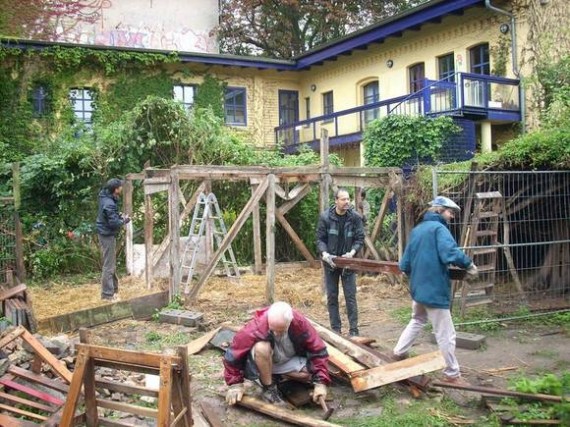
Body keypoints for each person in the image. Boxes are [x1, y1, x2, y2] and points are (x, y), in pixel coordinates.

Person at [392, 196, 478, 383]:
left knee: (417, 319)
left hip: (418, 289)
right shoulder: (439, 229)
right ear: (439, 210)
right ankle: (452, 373)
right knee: (446, 333)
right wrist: (469, 265)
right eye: (450, 212)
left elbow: (404, 264)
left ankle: (398, 352)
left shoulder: (417, 230)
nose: (452, 216)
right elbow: (450, 253)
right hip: (435, 289)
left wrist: (415, 274)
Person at [223, 301, 330, 407]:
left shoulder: (299, 323)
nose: (276, 334)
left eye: (280, 331)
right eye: (272, 330)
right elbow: (233, 354)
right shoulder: (257, 326)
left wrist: (320, 383)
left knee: (309, 374)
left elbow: (318, 350)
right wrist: (235, 384)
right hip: (264, 359)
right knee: (262, 348)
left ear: (290, 322)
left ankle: (275, 375)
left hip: (286, 358)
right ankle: (269, 388)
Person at [316, 188, 365, 337]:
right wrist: (324, 254)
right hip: (331, 262)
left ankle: (354, 330)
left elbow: (360, 238)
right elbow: (320, 239)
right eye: (343, 199)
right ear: (336, 201)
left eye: (348, 199)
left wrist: (352, 252)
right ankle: (336, 329)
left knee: (350, 296)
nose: (347, 202)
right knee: (332, 296)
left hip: (348, 262)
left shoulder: (355, 218)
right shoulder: (325, 217)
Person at [96, 178, 130, 301]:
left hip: (105, 233)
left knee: (111, 264)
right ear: (116, 189)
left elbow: (109, 216)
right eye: (120, 186)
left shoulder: (106, 197)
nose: (122, 188)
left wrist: (118, 215)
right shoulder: (109, 203)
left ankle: (114, 291)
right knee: (108, 266)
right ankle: (107, 295)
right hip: (107, 235)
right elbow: (114, 223)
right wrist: (124, 220)